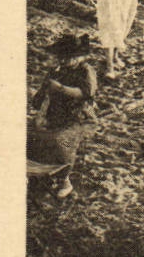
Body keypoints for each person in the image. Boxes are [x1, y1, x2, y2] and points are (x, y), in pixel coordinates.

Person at [28, 33, 99, 198]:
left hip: (77, 116)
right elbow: (42, 94)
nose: (65, 61)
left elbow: (85, 93)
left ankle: (65, 180)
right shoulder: (56, 70)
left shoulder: (85, 71)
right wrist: (39, 104)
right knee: (32, 136)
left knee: (62, 141)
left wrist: (60, 88)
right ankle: (41, 174)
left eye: (69, 57)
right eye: (62, 57)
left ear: (79, 56)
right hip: (54, 112)